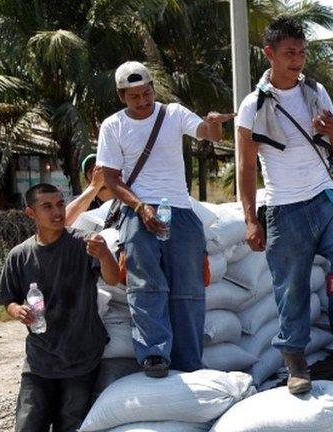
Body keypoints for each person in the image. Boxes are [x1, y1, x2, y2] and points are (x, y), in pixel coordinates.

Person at [236, 17, 333, 395]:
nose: (298, 60)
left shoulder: (316, 92)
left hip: (323, 195)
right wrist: (250, 221)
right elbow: (244, 166)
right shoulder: (252, 106)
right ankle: (296, 364)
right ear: (269, 54)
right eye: (290, 53)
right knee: (291, 289)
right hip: (284, 208)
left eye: (302, 52)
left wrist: (331, 129)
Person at [96, 61, 234, 378]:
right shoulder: (113, 126)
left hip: (180, 210)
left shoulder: (172, 114)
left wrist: (213, 124)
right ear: (121, 96)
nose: (143, 102)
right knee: (146, 286)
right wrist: (141, 206)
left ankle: (188, 361)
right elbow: (112, 180)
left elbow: (206, 134)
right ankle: (155, 355)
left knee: (188, 288)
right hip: (136, 209)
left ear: (153, 89)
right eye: (134, 97)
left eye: (146, 93)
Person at [0, 183, 119, 431]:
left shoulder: (83, 244)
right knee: (29, 423)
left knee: (70, 423)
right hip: (40, 359)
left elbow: (113, 279)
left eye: (61, 204)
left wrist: (105, 254)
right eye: (47, 206)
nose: (58, 212)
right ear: (31, 213)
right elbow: (8, 299)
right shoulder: (20, 255)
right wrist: (16, 310)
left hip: (80, 357)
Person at [65, 153, 116, 226]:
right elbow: (63, 223)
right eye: (92, 171)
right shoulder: (81, 202)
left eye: (101, 169)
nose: (98, 174)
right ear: (87, 181)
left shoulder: (124, 199)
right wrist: (94, 186)